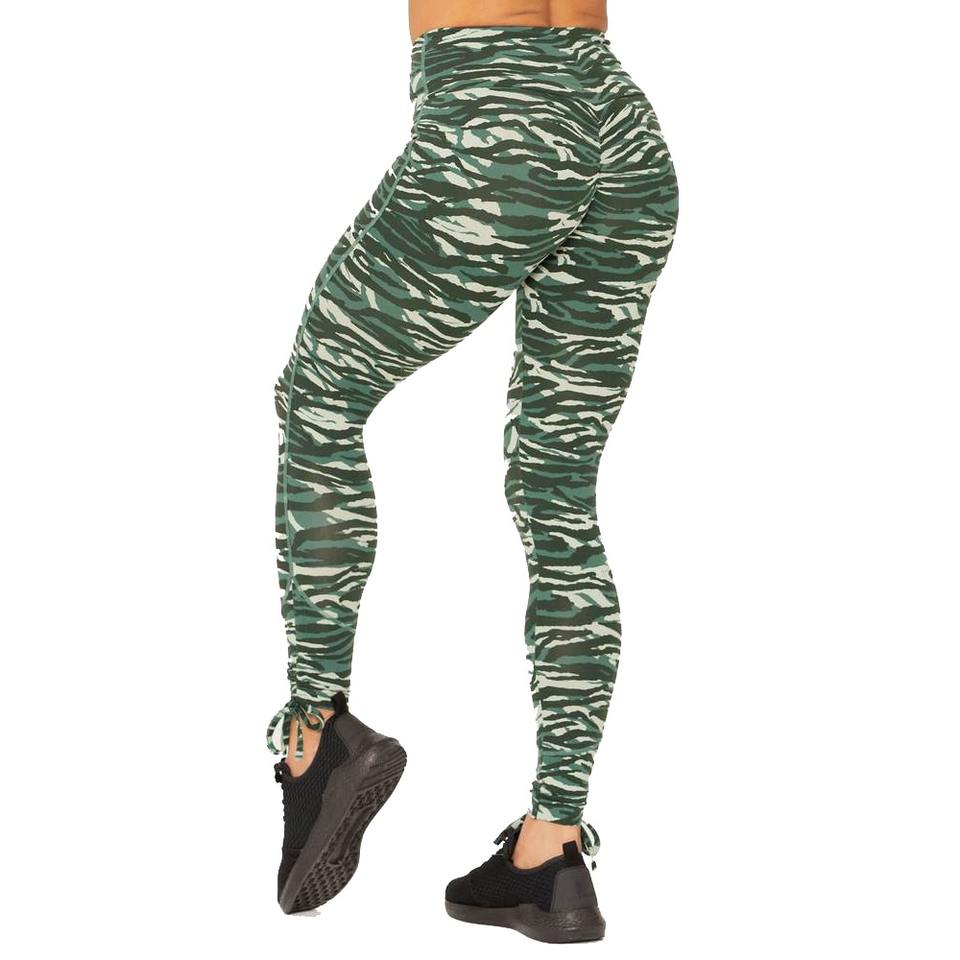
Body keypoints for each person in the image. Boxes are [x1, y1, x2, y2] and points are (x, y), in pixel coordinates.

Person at [266, 0, 678, 942]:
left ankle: (313, 732)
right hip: (621, 126)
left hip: (497, 114)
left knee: (318, 401)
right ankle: (550, 851)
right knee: (557, 489)